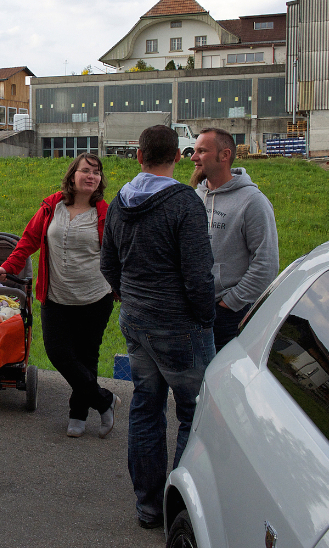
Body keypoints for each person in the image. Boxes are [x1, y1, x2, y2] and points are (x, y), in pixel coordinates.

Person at [100, 125, 216, 530]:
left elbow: (107, 264)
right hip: (181, 328)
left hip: (136, 323)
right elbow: (200, 277)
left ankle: (147, 506)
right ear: (179, 157)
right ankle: (177, 509)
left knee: (146, 409)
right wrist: (205, 317)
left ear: (138, 155)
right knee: (193, 415)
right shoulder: (185, 203)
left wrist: (126, 296)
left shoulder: (120, 202)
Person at [0, 153, 120, 439]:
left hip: (95, 297)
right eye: (85, 170)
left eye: (97, 172)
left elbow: (118, 253)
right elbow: (28, 240)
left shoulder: (105, 213)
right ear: (72, 175)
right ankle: (104, 400)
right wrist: (7, 266)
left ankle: (78, 415)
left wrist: (121, 285)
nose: (91, 176)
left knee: (86, 357)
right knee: (58, 353)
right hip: (55, 296)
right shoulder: (53, 206)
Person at [190, 128, 279, 351]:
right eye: (194, 151)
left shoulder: (252, 202)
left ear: (224, 155)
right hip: (192, 310)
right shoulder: (195, 197)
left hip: (228, 315)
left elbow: (266, 263)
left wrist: (231, 303)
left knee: (221, 380)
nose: (193, 157)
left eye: (201, 151)